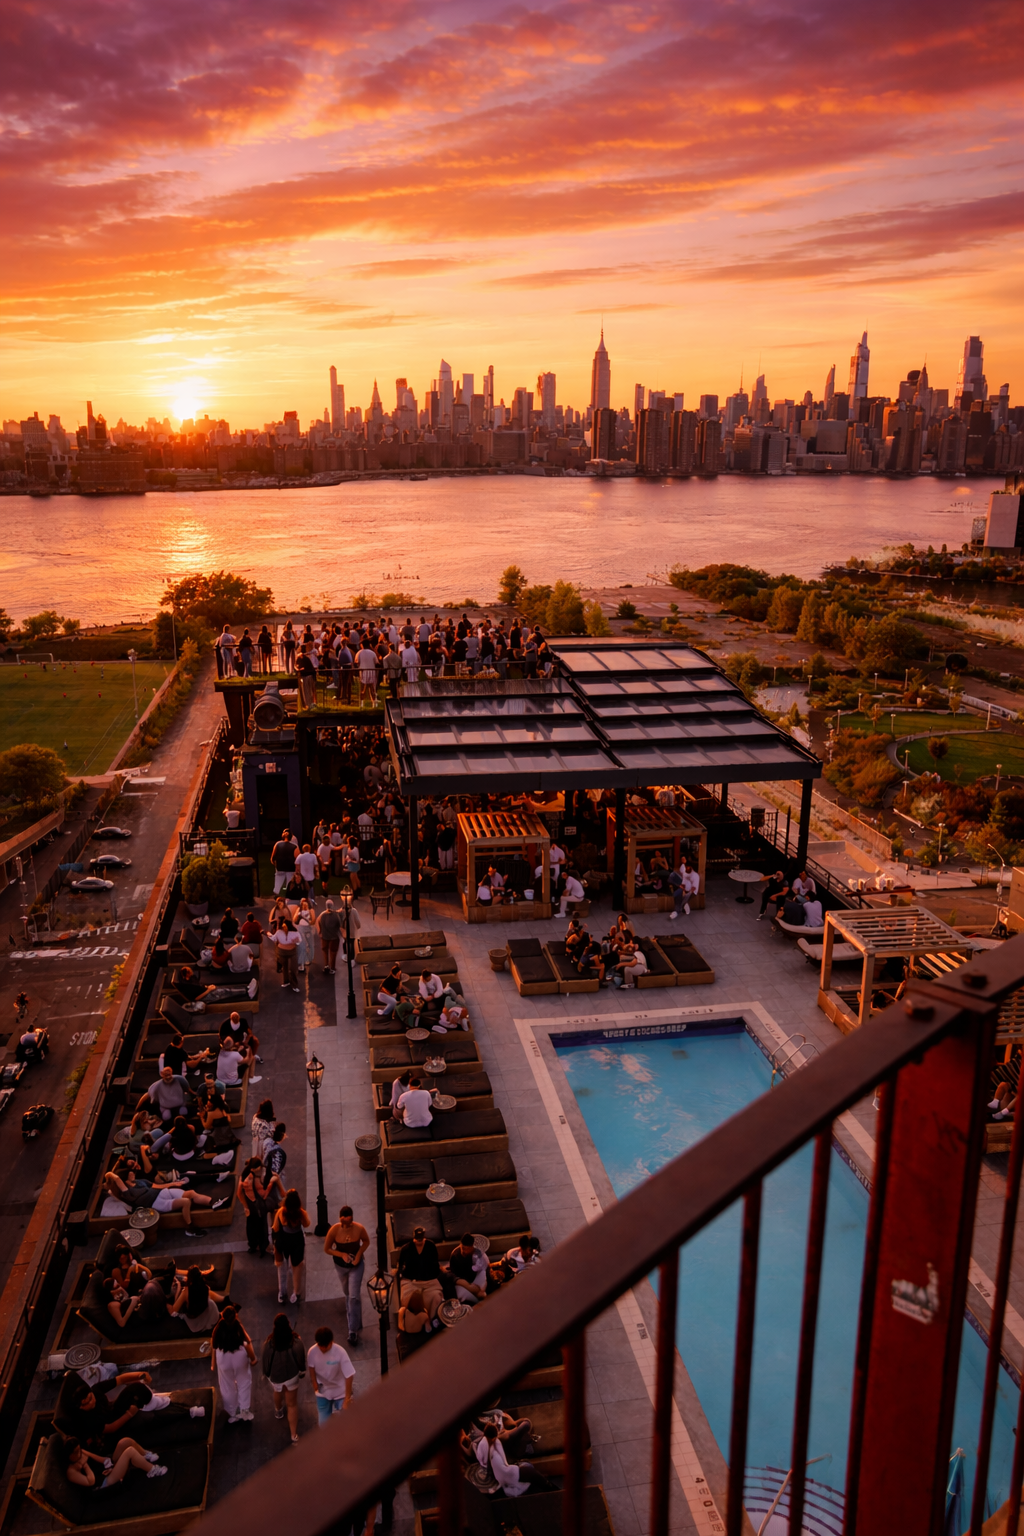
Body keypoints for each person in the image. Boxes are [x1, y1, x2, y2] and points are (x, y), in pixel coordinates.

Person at [324, 1206, 370, 1346]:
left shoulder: (359, 1228)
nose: (348, 1226)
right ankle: (355, 1317)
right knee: (347, 1293)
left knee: (353, 1297)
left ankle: (352, 1330)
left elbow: (366, 1241)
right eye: (346, 1223)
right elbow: (327, 1249)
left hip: (356, 1266)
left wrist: (359, 1254)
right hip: (341, 1267)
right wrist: (341, 1254)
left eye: (350, 1222)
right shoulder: (334, 1230)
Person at [262, 1313, 306, 1445]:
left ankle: (278, 1410)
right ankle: (294, 1435)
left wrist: (266, 1373)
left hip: (276, 1376)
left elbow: (265, 1360)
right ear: (288, 1325)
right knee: (292, 1404)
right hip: (292, 1376)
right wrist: (301, 1371)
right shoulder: (296, 1341)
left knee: (277, 1391)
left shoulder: (269, 1343)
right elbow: (300, 1358)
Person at [62, 1435, 167, 1488]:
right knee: (129, 1452)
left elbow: (100, 1459)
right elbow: (91, 1482)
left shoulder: (81, 1452)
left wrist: (109, 1463)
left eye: (79, 1450)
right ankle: (152, 1470)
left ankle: (145, 1455)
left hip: (106, 1470)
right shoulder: (71, 1472)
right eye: (76, 1452)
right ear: (70, 1455)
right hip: (103, 1482)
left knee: (125, 1442)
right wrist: (84, 1465)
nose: (79, 1453)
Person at [212, 1304, 256, 1423]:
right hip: (239, 1357)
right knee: (244, 1381)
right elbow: (247, 1340)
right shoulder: (237, 1325)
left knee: (227, 1386)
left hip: (223, 1359)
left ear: (223, 1316)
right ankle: (244, 1410)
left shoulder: (219, 1327)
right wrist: (253, 1358)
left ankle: (232, 1413)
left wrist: (213, 1364)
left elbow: (214, 1345)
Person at [476, 1421, 540, 1495]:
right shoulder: (491, 1444)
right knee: (529, 1469)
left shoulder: (491, 1443)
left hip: (501, 1468)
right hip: (501, 1472)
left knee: (528, 1468)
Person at [308, 1325, 355, 1424]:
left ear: (331, 1342)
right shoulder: (312, 1352)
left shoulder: (340, 1352)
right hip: (323, 1391)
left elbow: (349, 1375)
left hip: (340, 1391)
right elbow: (311, 1367)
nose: (323, 1348)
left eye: (326, 1346)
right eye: (320, 1345)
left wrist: (347, 1398)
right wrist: (314, 1383)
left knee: (345, 1424)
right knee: (323, 1425)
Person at [397, 1226, 444, 1323]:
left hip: (429, 1281)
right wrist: (401, 1274)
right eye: (417, 1239)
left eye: (421, 1239)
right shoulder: (406, 1249)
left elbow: (435, 1263)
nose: (419, 1242)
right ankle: (419, 1319)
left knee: (436, 1296)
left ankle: (432, 1319)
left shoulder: (431, 1246)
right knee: (408, 1298)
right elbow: (400, 1265)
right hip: (411, 1281)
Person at [273, 1188, 310, 1304]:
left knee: (282, 1267)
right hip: (297, 1241)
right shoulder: (301, 1213)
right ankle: (297, 1292)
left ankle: (282, 1293)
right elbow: (307, 1224)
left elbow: (275, 1227)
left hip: (284, 1241)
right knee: (297, 1267)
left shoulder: (281, 1212)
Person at [170, 1265, 223, 1332]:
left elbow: (174, 1311)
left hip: (194, 1322)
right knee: (212, 1301)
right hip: (208, 1317)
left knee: (169, 1308)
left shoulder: (186, 1291)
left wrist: (178, 1289)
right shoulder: (205, 1288)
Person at [240, 1157, 271, 1255]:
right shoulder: (254, 1179)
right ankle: (263, 1247)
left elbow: (239, 1193)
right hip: (257, 1206)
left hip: (249, 1204)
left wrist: (246, 1206)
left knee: (251, 1226)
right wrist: (272, 1183)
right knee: (262, 1227)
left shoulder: (244, 1174)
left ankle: (253, 1246)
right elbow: (263, 1194)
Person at [447, 1234, 487, 1305]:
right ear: (460, 1245)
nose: (465, 1251)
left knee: (483, 1278)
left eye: (468, 1249)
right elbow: (453, 1273)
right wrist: (467, 1284)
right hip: (462, 1282)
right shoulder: (455, 1255)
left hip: (475, 1277)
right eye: (463, 1248)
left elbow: (481, 1269)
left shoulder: (476, 1253)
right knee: (461, 1295)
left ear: (472, 1247)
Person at [271, 918, 301, 993]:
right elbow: (274, 938)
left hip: (288, 951)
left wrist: (296, 942)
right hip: (285, 951)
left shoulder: (294, 932)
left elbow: (299, 940)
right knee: (286, 967)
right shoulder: (280, 932)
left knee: (292, 968)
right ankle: (287, 981)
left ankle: (293, 984)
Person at [316, 900, 342, 976]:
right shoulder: (336, 915)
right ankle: (332, 968)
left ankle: (326, 965)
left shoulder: (322, 915)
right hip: (334, 937)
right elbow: (340, 925)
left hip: (324, 937)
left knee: (325, 951)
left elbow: (317, 922)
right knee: (333, 953)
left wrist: (320, 932)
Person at [271, 829, 299, 896]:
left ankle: (276, 897)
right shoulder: (295, 846)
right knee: (289, 884)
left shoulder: (277, 844)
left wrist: (274, 863)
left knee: (277, 885)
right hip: (290, 868)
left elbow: (272, 857)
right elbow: (298, 859)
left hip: (280, 867)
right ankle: (289, 898)